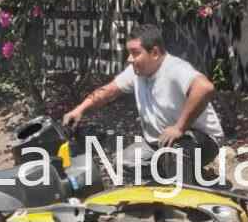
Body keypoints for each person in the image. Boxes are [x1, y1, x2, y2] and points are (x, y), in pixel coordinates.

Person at [62, 24, 225, 183]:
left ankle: (183, 200)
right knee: (123, 163)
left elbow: (205, 88)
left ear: (154, 53)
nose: (129, 59)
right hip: (159, 143)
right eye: (129, 53)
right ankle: (184, 175)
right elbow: (109, 91)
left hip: (202, 141)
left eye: (135, 53)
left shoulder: (175, 68)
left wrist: (179, 127)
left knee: (175, 152)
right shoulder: (137, 72)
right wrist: (79, 110)